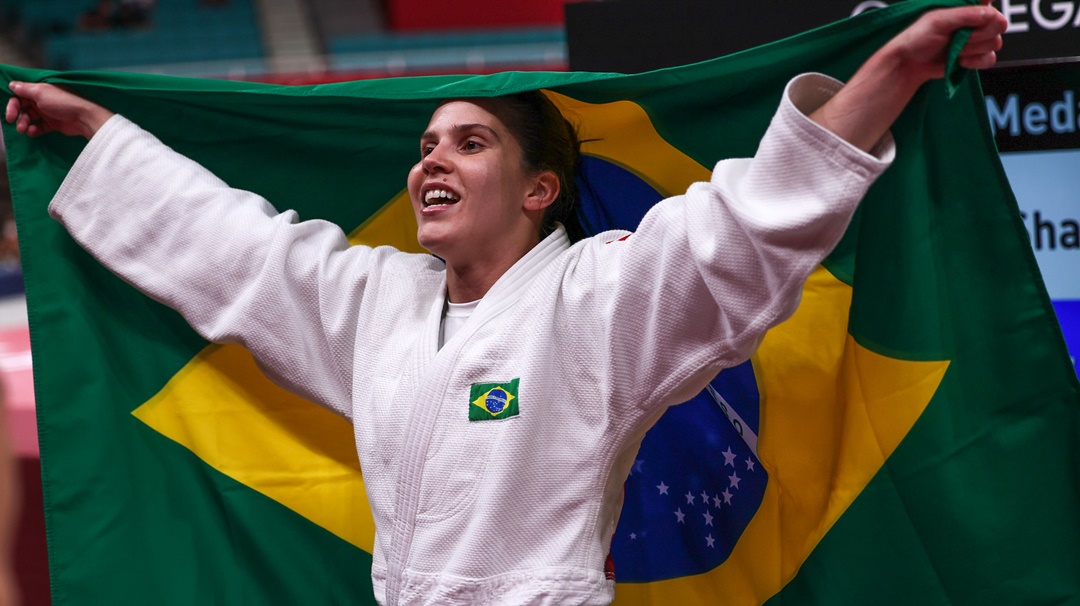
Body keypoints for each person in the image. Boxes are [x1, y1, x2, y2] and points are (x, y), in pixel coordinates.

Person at [5, 5, 1006, 605]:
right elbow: (234, 253)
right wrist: (100, 139)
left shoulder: (599, 300)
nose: (431, 159)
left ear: (539, 191)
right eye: (427, 145)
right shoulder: (373, 300)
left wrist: (891, 70)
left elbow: (740, 232)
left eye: (470, 143)